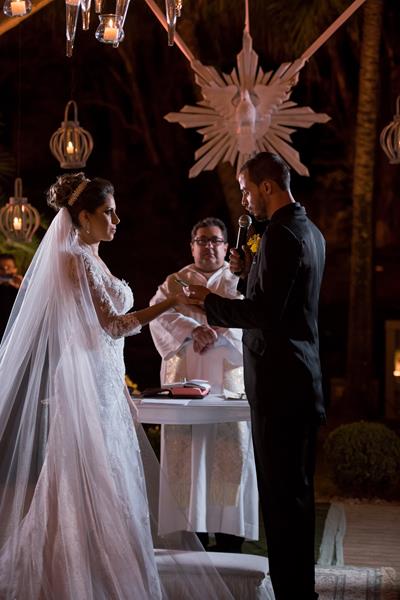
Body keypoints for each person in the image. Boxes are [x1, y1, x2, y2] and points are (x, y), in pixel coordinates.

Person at [0, 173, 234, 599]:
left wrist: (120, 388)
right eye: (107, 213)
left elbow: (102, 338)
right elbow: (113, 326)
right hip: (86, 387)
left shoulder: (93, 255)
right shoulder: (76, 259)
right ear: (84, 217)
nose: (116, 219)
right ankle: (82, 575)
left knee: (114, 478)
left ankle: (113, 570)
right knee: (90, 479)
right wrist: (171, 302)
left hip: (105, 383)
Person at [185, 152, 326, 600]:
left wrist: (208, 301)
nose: (244, 199)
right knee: (294, 496)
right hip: (297, 379)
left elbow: (265, 315)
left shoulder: (283, 234)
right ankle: (299, 589)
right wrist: (246, 275)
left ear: (267, 186)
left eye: (247, 190)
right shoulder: (309, 230)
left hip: (281, 385)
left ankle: (293, 592)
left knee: (283, 499)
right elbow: (279, 299)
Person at [149, 217, 258, 553]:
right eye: (202, 240)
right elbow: (158, 315)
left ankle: (229, 539)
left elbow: (254, 317)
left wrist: (221, 330)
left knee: (229, 452)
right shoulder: (175, 282)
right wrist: (191, 329)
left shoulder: (237, 279)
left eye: (215, 240)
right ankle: (191, 538)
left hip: (227, 383)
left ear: (226, 247)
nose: (209, 246)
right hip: (187, 384)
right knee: (188, 456)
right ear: (192, 246)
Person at [0, 253, 22, 339]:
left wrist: (22, 289)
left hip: (14, 334)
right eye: (1, 268)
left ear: (15, 270)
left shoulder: (22, 287)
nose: (5, 271)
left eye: (9, 267)